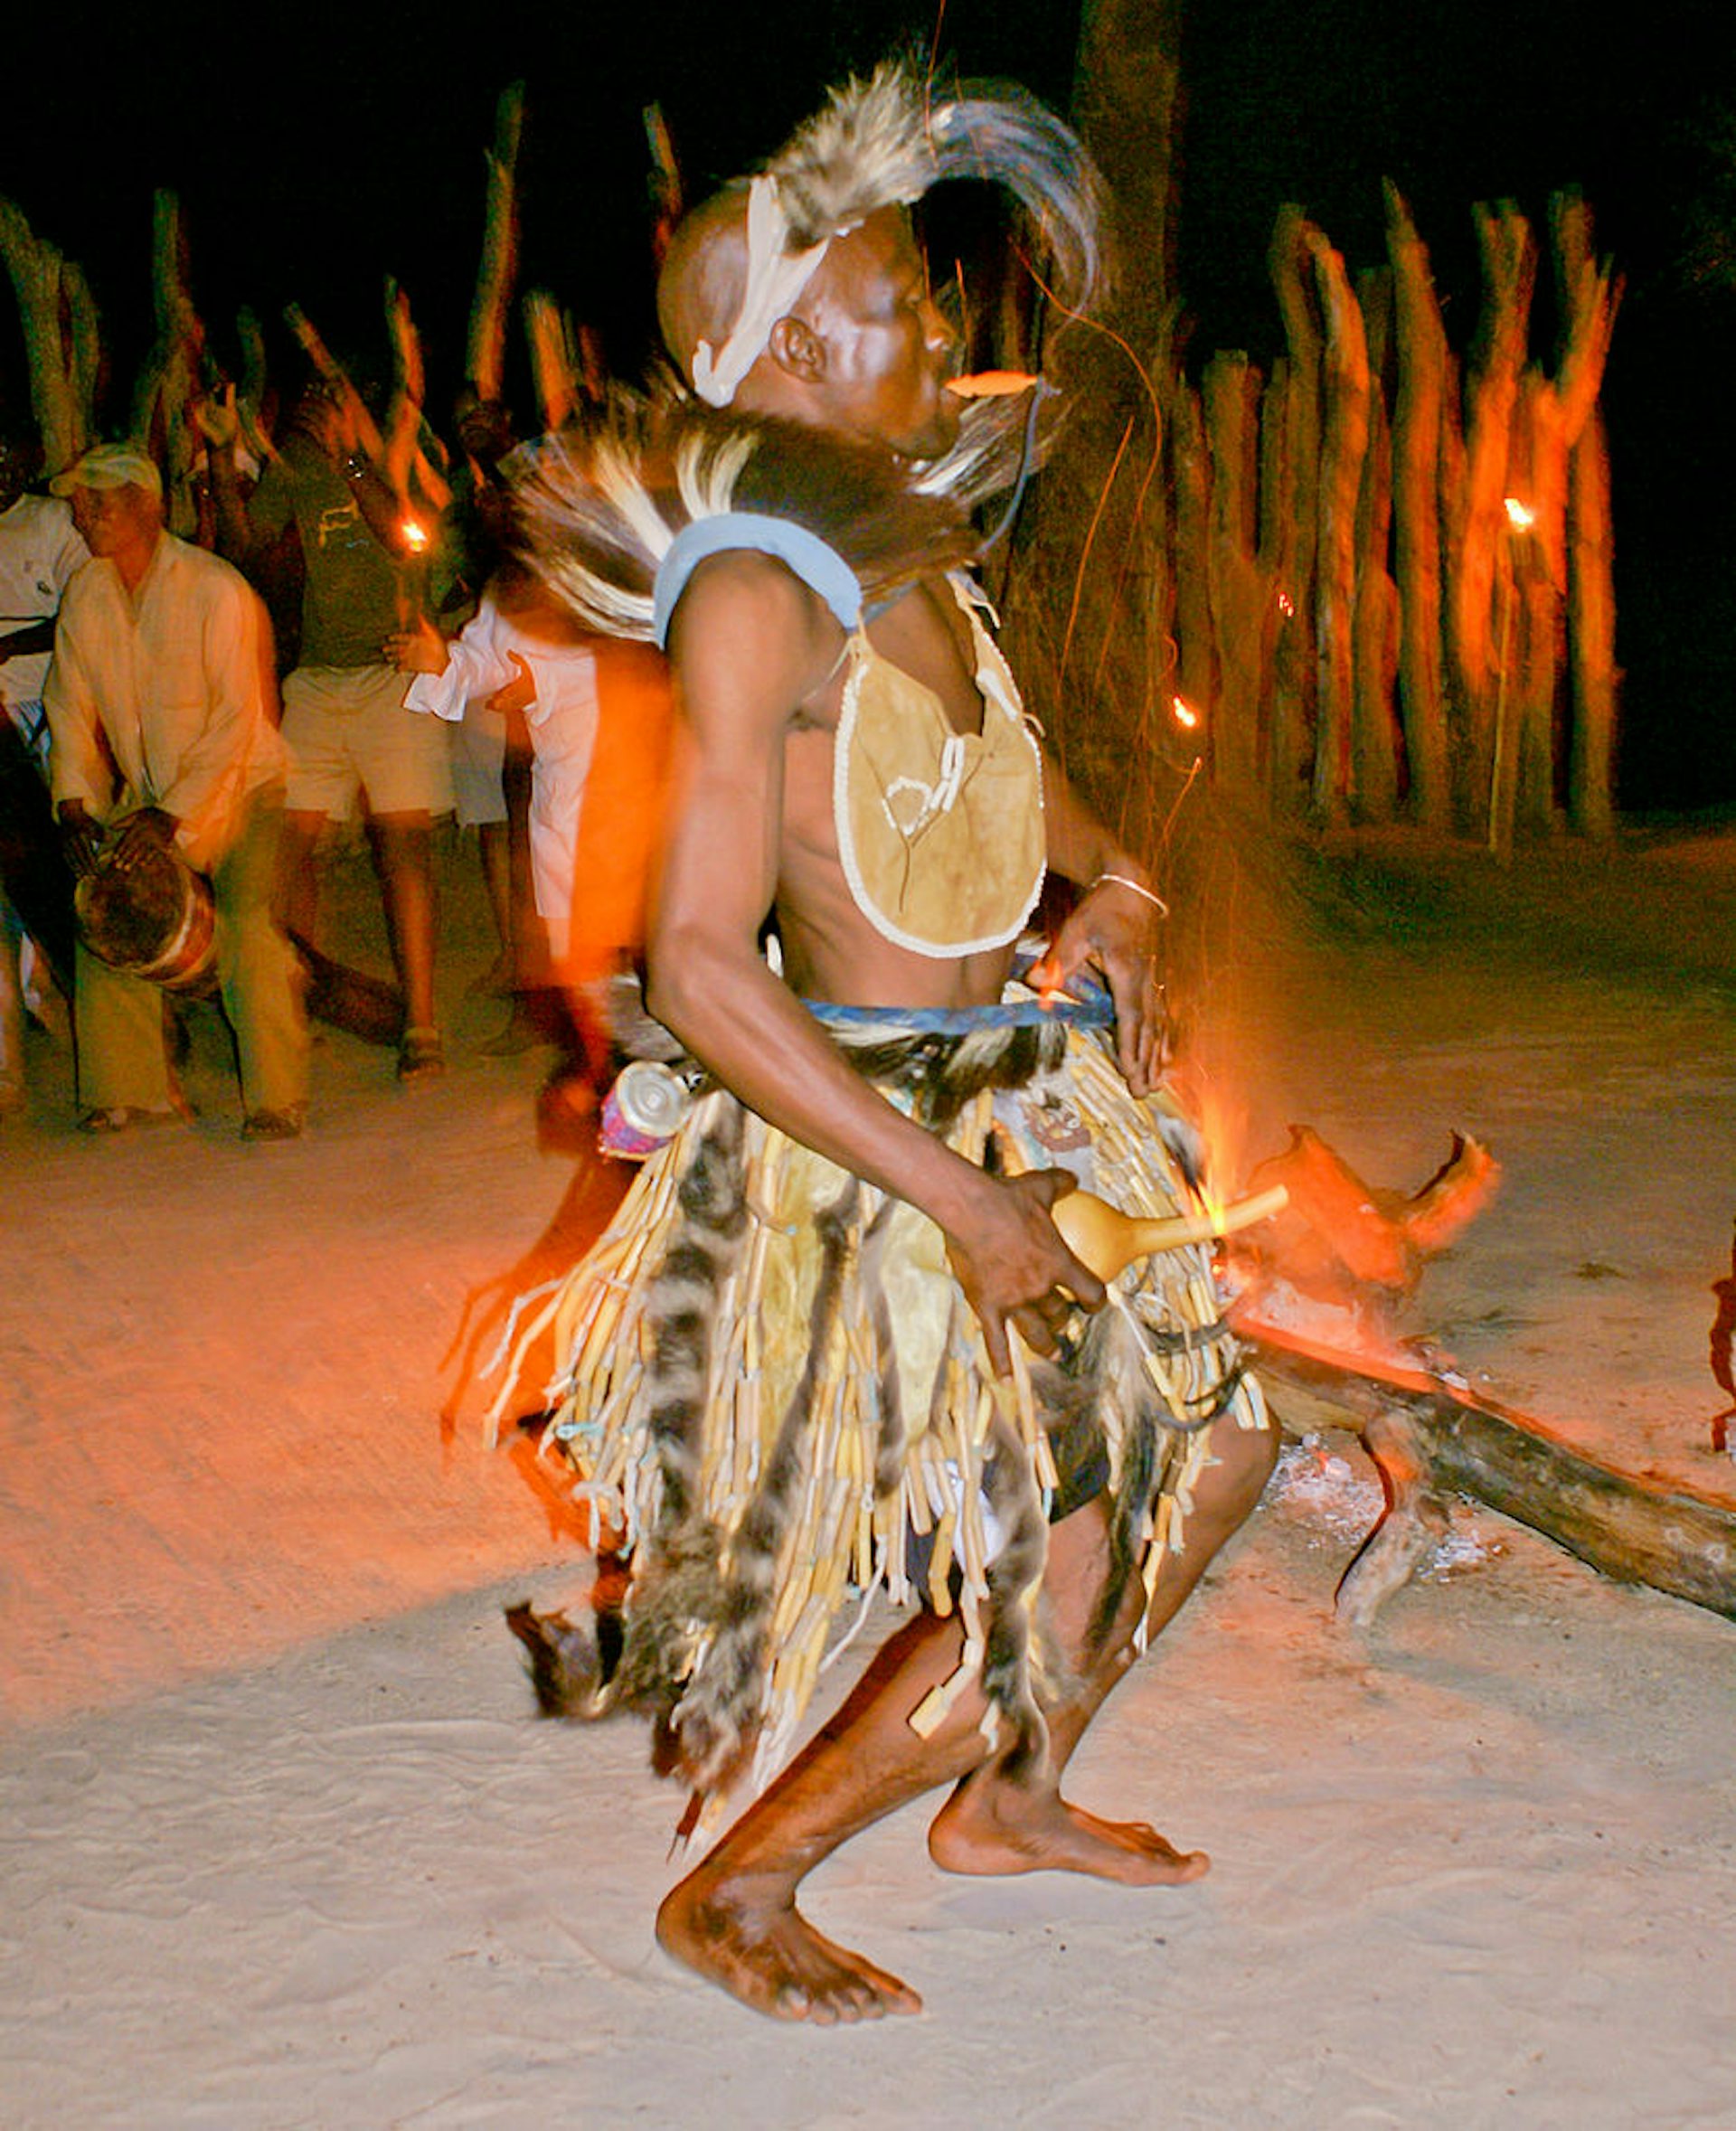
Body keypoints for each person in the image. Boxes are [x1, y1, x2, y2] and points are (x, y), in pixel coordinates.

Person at [499, 63, 1277, 2023]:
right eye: (903, 308)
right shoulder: (759, 596)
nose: (942, 331)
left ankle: (1011, 1786)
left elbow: (1049, 805)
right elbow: (695, 963)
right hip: (883, 1145)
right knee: (1079, 1536)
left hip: (1024, 1103)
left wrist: (1114, 895)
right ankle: (745, 1883)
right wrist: (963, 1204)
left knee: (1234, 1433)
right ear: (792, 355)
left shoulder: (914, 563)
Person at [43, 444, 307, 1137]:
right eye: (78, 503)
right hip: (160, 791)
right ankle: (126, 1087)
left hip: (244, 783)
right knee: (101, 901)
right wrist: (75, 801)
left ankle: (277, 1097)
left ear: (147, 504)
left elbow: (238, 722)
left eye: (97, 500)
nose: (83, 515)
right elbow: (67, 707)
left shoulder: (214, 587)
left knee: (246, 925)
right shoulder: (86, 595)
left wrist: (168, 817)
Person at [210, 374, 454, 1082]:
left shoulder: (387, 459)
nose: (314, 407)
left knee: (403, 849)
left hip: (392, 673)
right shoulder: (296, 473)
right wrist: (224, 457)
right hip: (318, 678)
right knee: (290, 844)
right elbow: (246, 545)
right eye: (306, 396)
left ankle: (421, 1022)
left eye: (327, 395)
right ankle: (295, 1001)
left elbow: (405, 541)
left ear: (352, 405)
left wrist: (350, 457)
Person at [0, 433, 87, 1110]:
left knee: (55, 879)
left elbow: (80, 617)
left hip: (45, 710)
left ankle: (73, 1016)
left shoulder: (54, 519)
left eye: (8, 447)